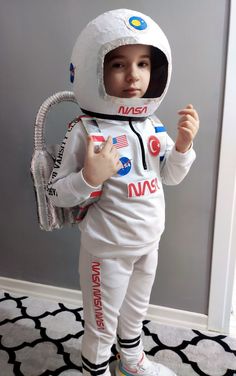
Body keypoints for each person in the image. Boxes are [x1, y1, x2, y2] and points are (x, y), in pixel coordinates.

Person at [47, 9, 199, 376]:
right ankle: (95, 369)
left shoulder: (152, 125)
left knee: (135, 311)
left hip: (148, 243)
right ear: (93, 68)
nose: (134, 76)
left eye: (144, 64)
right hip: (107, 251)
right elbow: (56, 193)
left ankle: (131, 361)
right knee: (101, 325)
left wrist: (181, 147)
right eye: (118, 64)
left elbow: (170, 177)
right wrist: (88, 176)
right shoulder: (85, 130)